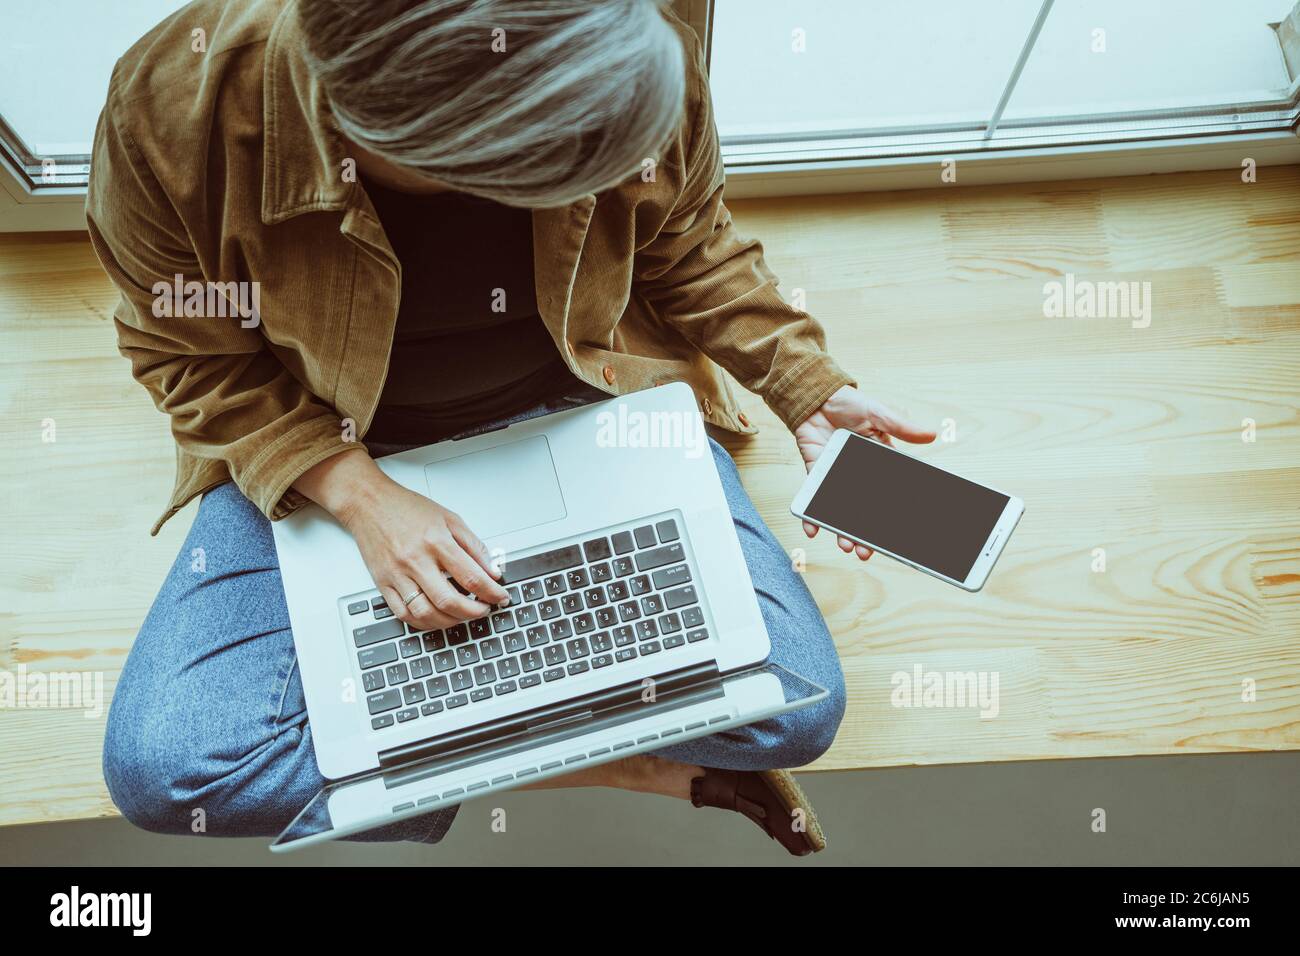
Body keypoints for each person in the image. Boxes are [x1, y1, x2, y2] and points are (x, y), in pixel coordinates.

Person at [88, 0, 935, 857]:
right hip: (314, 432)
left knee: (795, 701)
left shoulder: (637, 27)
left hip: (586, 397)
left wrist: (802, 384)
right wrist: (360, 496)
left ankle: (481, 743)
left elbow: (686, 240)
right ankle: (631, 763)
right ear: (380, 138)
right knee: (170, 771)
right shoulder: (169, 110)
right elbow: (187, 355)